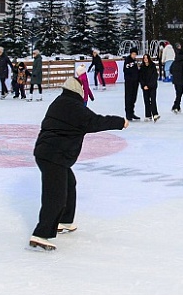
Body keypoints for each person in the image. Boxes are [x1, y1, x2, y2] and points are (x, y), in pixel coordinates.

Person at [28, 77, 128, 251]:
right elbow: (94, 122)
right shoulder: (72, 106)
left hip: (50, 153)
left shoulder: (62, 101)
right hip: (54, 155)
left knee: (69, 184)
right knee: (55, 196)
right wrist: (119, 122)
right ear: (79, 90)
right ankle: (40, 235)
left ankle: (65, 221)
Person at [139, 53, 159, 122]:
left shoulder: (152, 66)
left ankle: (155, 114)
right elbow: (141, 78)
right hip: (145, 87)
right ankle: (148, 115)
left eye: (146, 58)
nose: (145, 59)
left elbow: (154, 76)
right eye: (144, 58)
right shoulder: (142, 67)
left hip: (152, 86)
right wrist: (144, 85)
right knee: (146, 101)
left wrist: (149, 85)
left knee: (153, 100)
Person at [169, 43, 183, 114]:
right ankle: (175, 106)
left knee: (178, 93)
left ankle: (177, 106)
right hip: (181, 79)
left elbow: (171, 70)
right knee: (179, 93)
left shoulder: (175, 62)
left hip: (175, 79)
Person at [123, 47, 141, 120]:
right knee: (129, 97)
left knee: (134, 97)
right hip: (129, 82)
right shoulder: (128, 60)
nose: (134, 55)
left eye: (135, 54)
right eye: (133, 54)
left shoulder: (134, 61)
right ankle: (128, 113)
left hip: (135, 82)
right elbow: (126, 70)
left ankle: (132, 112)